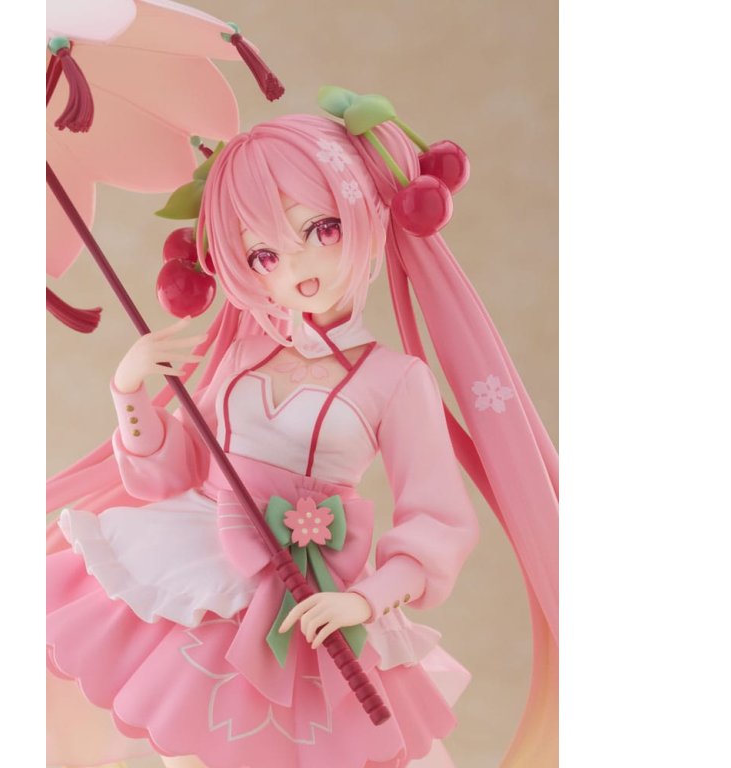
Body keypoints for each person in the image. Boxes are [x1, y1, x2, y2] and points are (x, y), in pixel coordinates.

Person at [46, 111, 558, 768]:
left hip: (313, 592)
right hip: (198, 567)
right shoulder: (241, 356)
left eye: (321, 228)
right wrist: (130, 391)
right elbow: (172, 473)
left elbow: (438, 522)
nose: (296, 265)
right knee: (186, 742)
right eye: (264, 254)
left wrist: (364, 599)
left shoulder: (396, 379)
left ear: (367, 215)